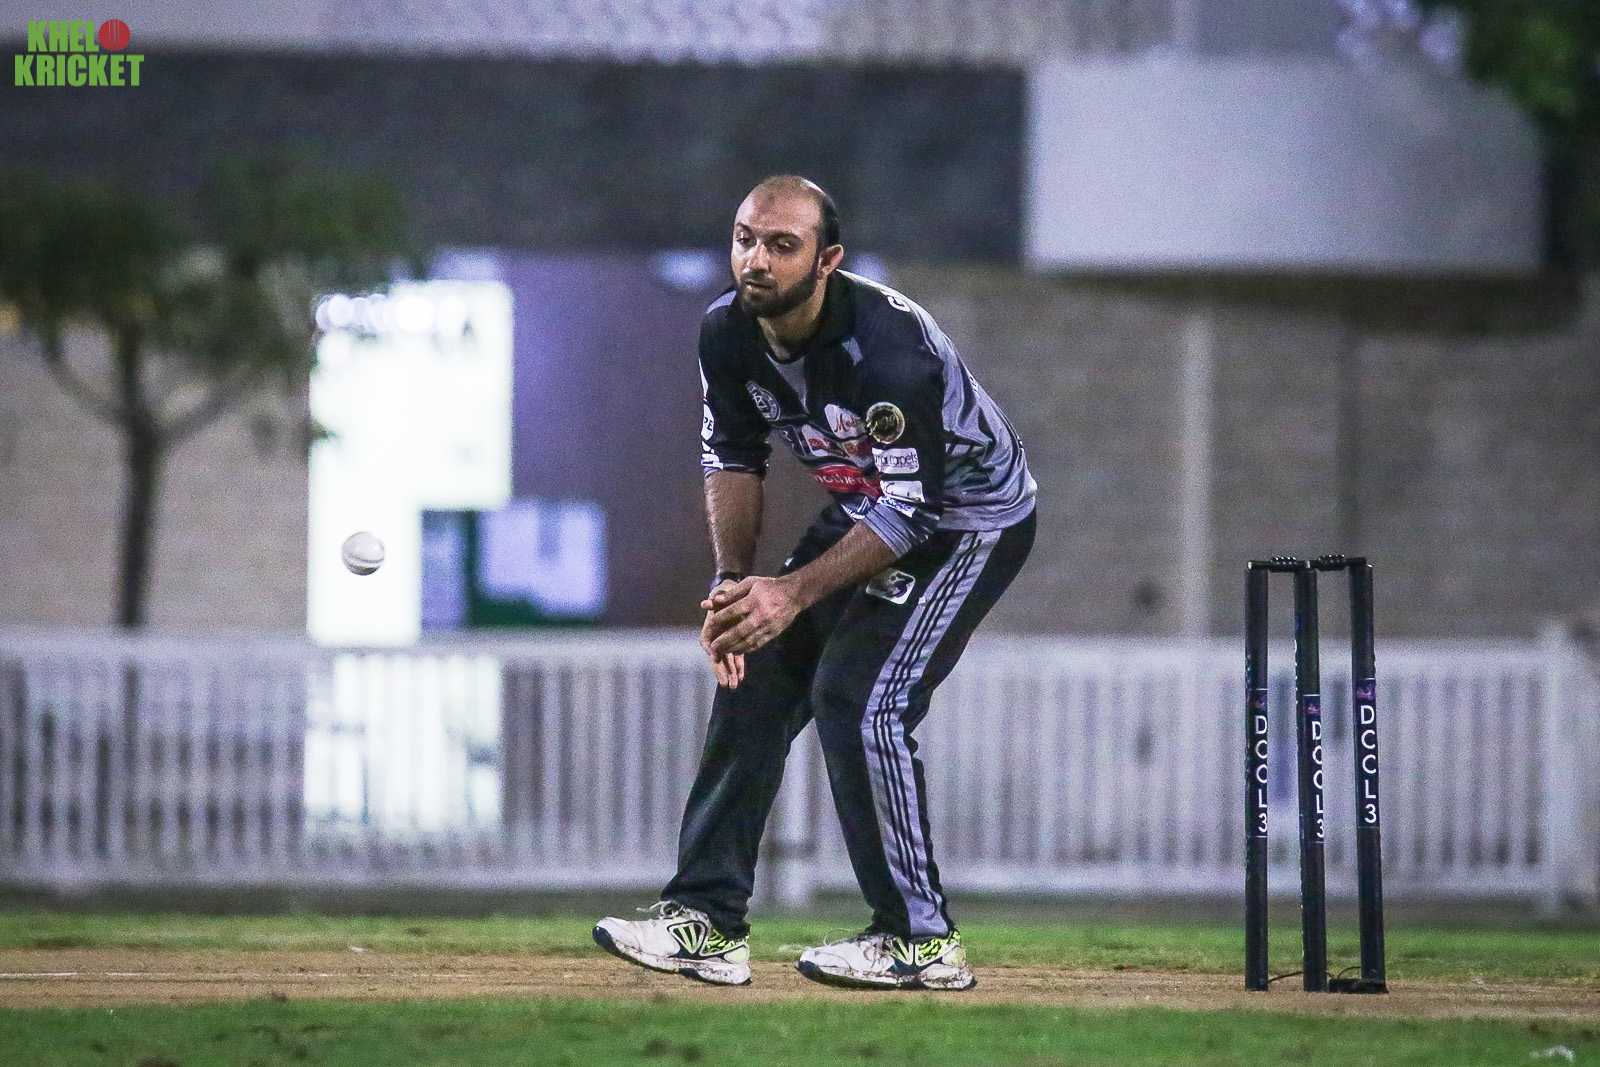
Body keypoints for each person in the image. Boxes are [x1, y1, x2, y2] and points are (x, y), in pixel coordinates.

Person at [593, 176, 1036, 990]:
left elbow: (913, 513)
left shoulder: (886, 349)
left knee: (859, 698)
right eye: (744, 239)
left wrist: (790, 593)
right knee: (758, 670)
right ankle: (706, 921)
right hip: (871, 503)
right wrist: (735, 588)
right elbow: (733, 457)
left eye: (781, 245)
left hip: (967, 520)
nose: (755, 260)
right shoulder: (726, 330)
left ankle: (920, 940)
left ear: (827, 261)